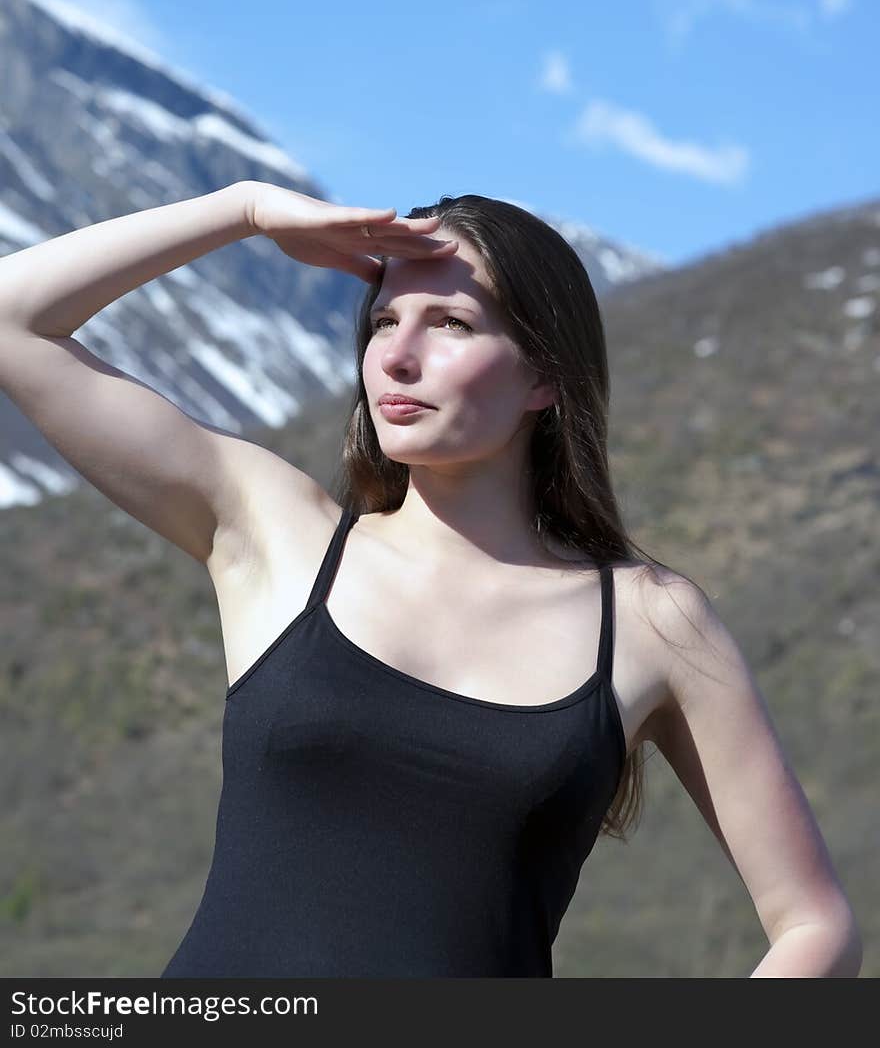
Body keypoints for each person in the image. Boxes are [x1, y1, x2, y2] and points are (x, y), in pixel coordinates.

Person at [0, 181, 862, 978]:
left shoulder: (647, 620)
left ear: (544, 375)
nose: (396, 357)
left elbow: (815, 924)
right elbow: (14, 321)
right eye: (381, 321)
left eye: (449, 322)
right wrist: (247, 210)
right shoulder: (278, 534)